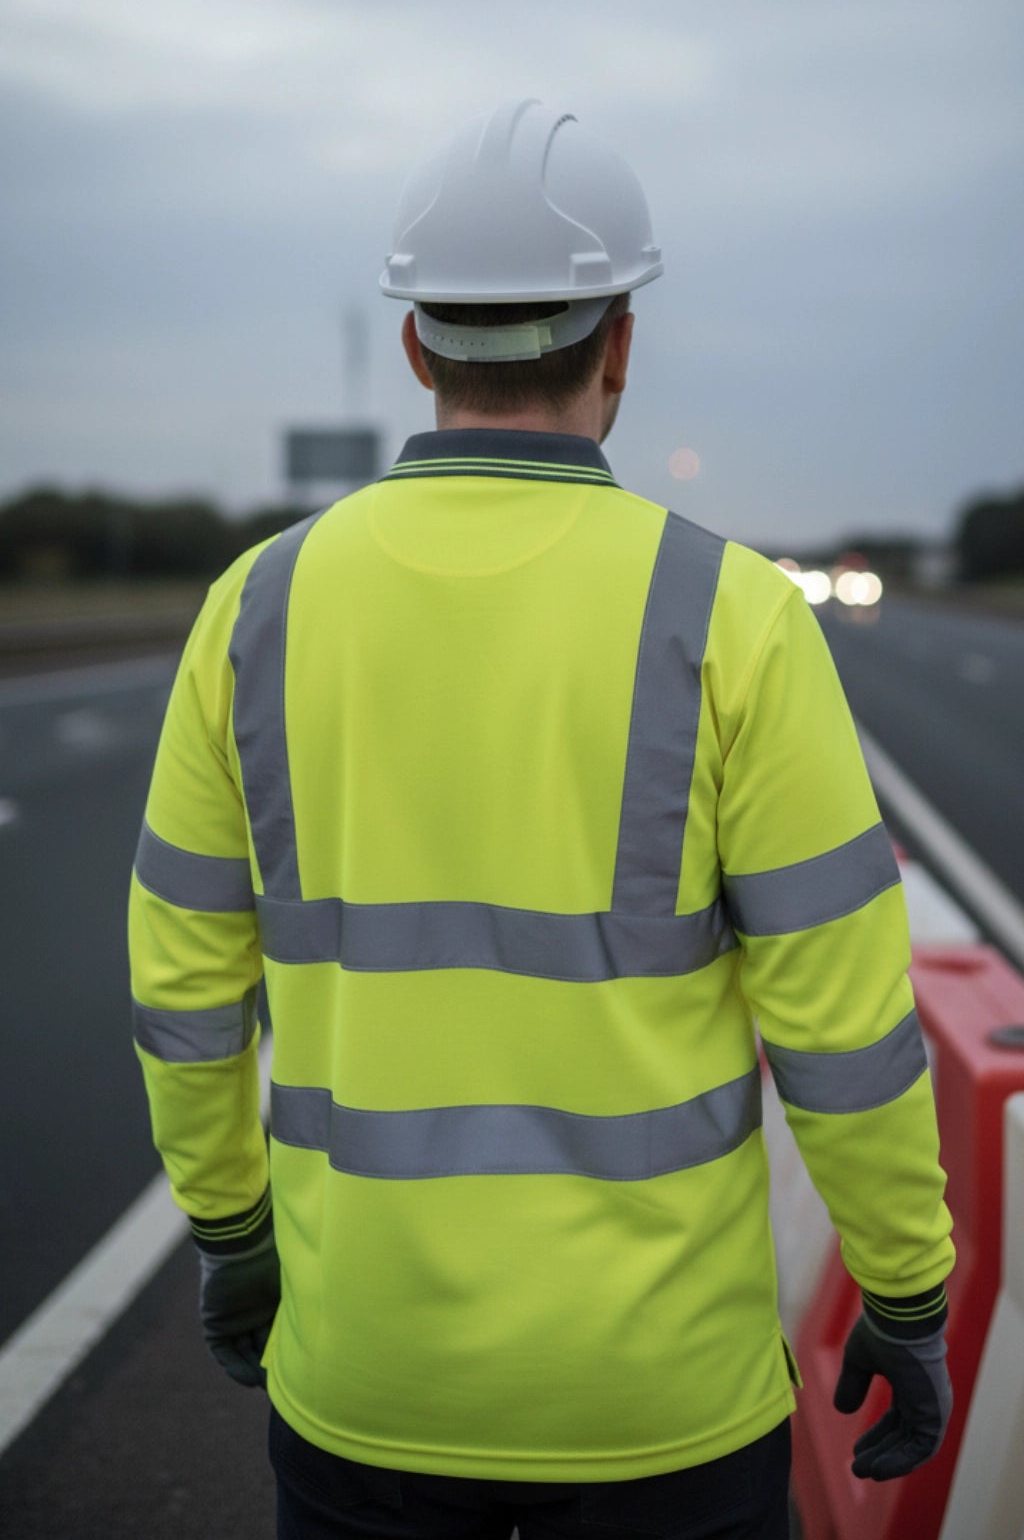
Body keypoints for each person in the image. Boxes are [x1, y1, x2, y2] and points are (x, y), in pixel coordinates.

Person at [129, 97, 954, 1540]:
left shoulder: (253, 610)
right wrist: (909, 1287)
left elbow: (186, 990)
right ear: (619, 341)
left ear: (412, 346)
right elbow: (844, 1028)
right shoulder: (737, 618)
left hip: (364, 1387)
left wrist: (232, 1234)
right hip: (664, 1411)